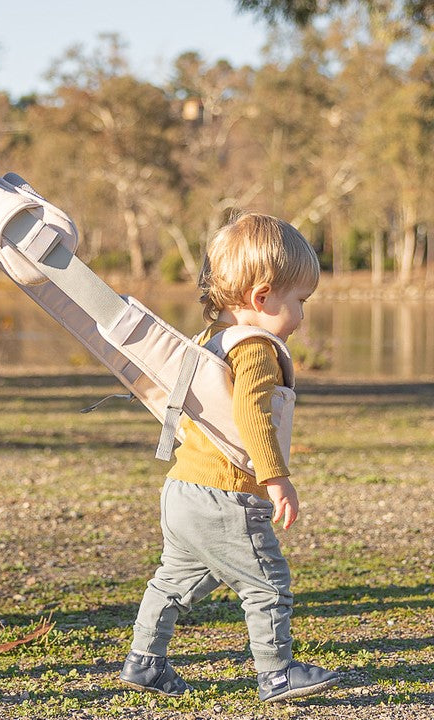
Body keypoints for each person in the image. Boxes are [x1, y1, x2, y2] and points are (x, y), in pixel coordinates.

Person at [118, 213, 340, 703]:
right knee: (267, 584)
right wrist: (276, 476)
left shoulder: (208, 342)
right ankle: (277, 672)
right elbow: (253, 414)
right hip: (228, 495)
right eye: (300, 302)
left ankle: (145, 661)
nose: (302, 316)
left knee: (174, 581)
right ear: (262, 298)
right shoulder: (257, 347)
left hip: (183, 490)